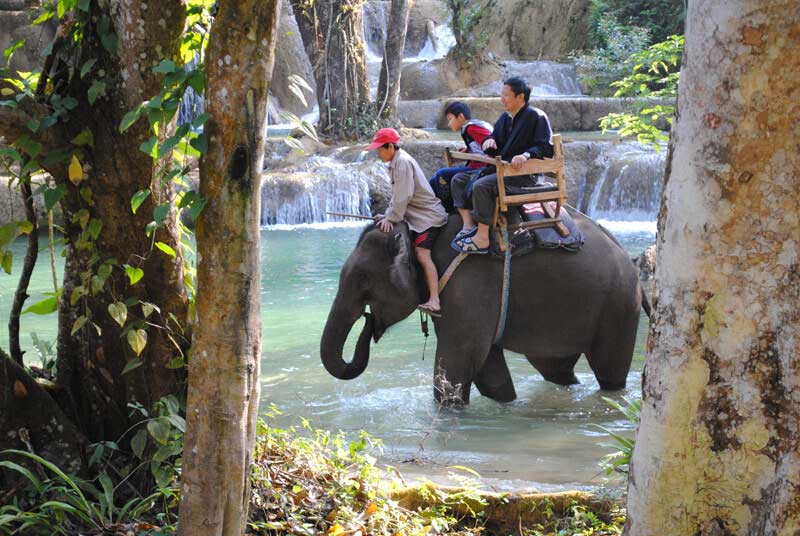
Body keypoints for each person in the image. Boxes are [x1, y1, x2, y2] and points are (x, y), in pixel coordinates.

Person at [450, 77, 554, 254]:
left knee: (481, 186)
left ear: (520, 97)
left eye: (506, 95)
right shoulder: (506, 118)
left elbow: (545, 146)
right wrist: (490, 142)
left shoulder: (536, 116)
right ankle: (468, 225)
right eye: (502, 94)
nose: (502, 98)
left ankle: (482, 237)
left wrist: (526, 155)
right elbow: (495, 140)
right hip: (503, 171)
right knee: (459, 179)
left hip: (524, 176)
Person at [369, 128, 448, 316]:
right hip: (415, 216)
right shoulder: (396, 162)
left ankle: (435, 300)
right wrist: (388, 214)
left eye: (380, 149)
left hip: (427, 217)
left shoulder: (402, 163)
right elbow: (396, 196)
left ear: (390, 146)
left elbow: (404, 197)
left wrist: (392, 217)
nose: (378, 153)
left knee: (422, 254)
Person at [428, 101, 493, 212]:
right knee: (434, 181)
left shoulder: (471, 128)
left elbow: (490, 144)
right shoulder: (471, 127)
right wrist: (468, 149)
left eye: (450, 119)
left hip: (481, 168)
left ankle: (449, 208)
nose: (449, 124)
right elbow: (480, 145)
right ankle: (434, 209)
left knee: (442, 174)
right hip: (477, 165)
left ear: (461, 117)